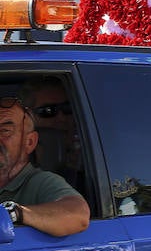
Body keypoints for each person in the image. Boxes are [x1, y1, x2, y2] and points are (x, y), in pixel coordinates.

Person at [0, 96, 90, 236]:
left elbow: (78, 215)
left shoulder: (41, 182)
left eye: (5, 130)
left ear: (29, 142)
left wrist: (14, 213)